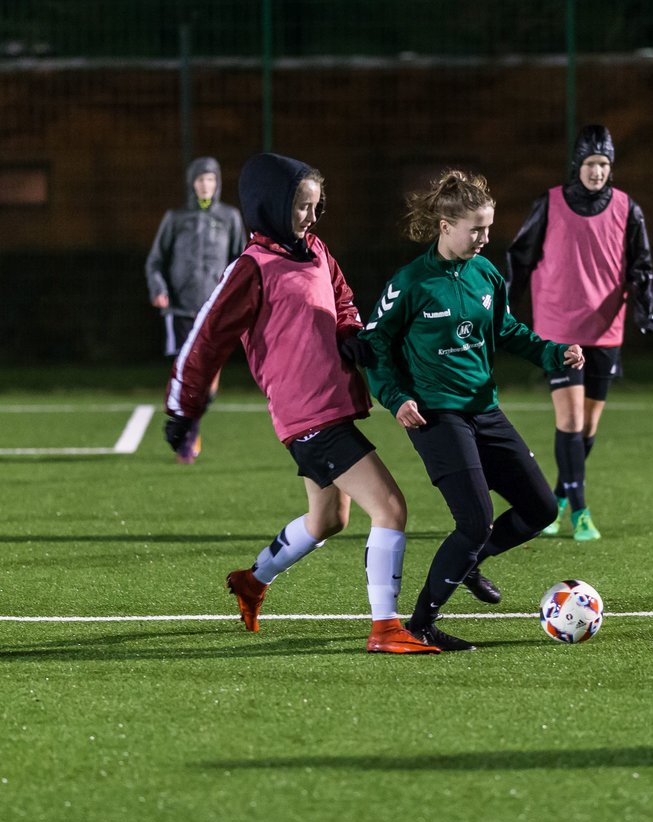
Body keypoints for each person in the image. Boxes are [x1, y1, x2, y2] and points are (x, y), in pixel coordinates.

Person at [163, 152, 438, 655]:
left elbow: (343, 299)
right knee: (391, 507)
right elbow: (204, 341)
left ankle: (252, 580)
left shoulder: (314, 249)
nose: (311, 217)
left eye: (316, 206)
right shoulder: (251, 268)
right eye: (301, 207)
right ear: (270, 207)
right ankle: (385, 629)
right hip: (308, 415)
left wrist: (350, 331)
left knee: (329, 518)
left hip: (330, 405)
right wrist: (182, 410)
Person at [361, 170, 585, 651]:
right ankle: (419, 624)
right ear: (445, 225)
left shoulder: (486, 275)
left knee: (541, 508)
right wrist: (396, 398)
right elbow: (373, 345)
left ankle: (469, 562)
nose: (485, 237)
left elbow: (505, 330)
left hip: (484, 410)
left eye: (488, 227)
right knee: (475, 520)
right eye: (476, 229)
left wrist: (552, 353)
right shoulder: (411, 283)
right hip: (436, 417)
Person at [506, 124, 653, 541]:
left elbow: (640, 266)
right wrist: (502, 305)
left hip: (606, 329)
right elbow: (520, 257)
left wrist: (646, 309)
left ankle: (554, 502)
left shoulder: (628, 208)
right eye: (591, 164)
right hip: (558, 328)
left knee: (587, 428)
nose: (597, 172)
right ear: (578, 165)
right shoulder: (550, 203)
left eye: (604, 165)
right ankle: (581, 513)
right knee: (570, 420)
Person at [146, 156, 246, 463]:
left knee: (207, 379)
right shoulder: (175, 218)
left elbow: (243, 262)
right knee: (189, 374)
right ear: (192, 183)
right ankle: (188, 439)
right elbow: (155, 262)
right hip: (180, 310)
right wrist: (159, 290)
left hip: (214, 311)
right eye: (201, 179)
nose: (206, 185)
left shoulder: (230, 218)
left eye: (212, 180)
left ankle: (191, 421)